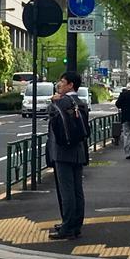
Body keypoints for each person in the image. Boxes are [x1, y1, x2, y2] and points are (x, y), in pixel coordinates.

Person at [45, 70, 91, 241]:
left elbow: (50, 114)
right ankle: (76, 224)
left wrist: (53, 102)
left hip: (62, 151)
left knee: (66, 191)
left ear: (71, 84)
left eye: (62, 81)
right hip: (78, 150)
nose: (59, 84)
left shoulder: (61, 102)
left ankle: (67, 227)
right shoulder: (80, 102)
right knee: (77, 189)